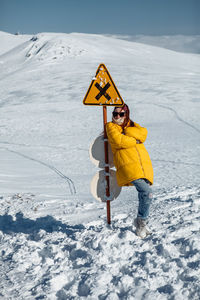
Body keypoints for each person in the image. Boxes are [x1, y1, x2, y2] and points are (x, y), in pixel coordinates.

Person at [106, 103, 154, 238]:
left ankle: (141, 222)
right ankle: (141, 222)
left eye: (121, 114)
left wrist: (130, 133)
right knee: (147, 192)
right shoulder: (110, 126)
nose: (117, 117)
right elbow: (118, 141)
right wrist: (135, 140)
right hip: (127, 166)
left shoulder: (131, 126)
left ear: (126, 114)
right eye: (115, 114)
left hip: (141, 165)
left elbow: (143, 133)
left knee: (144, 194)